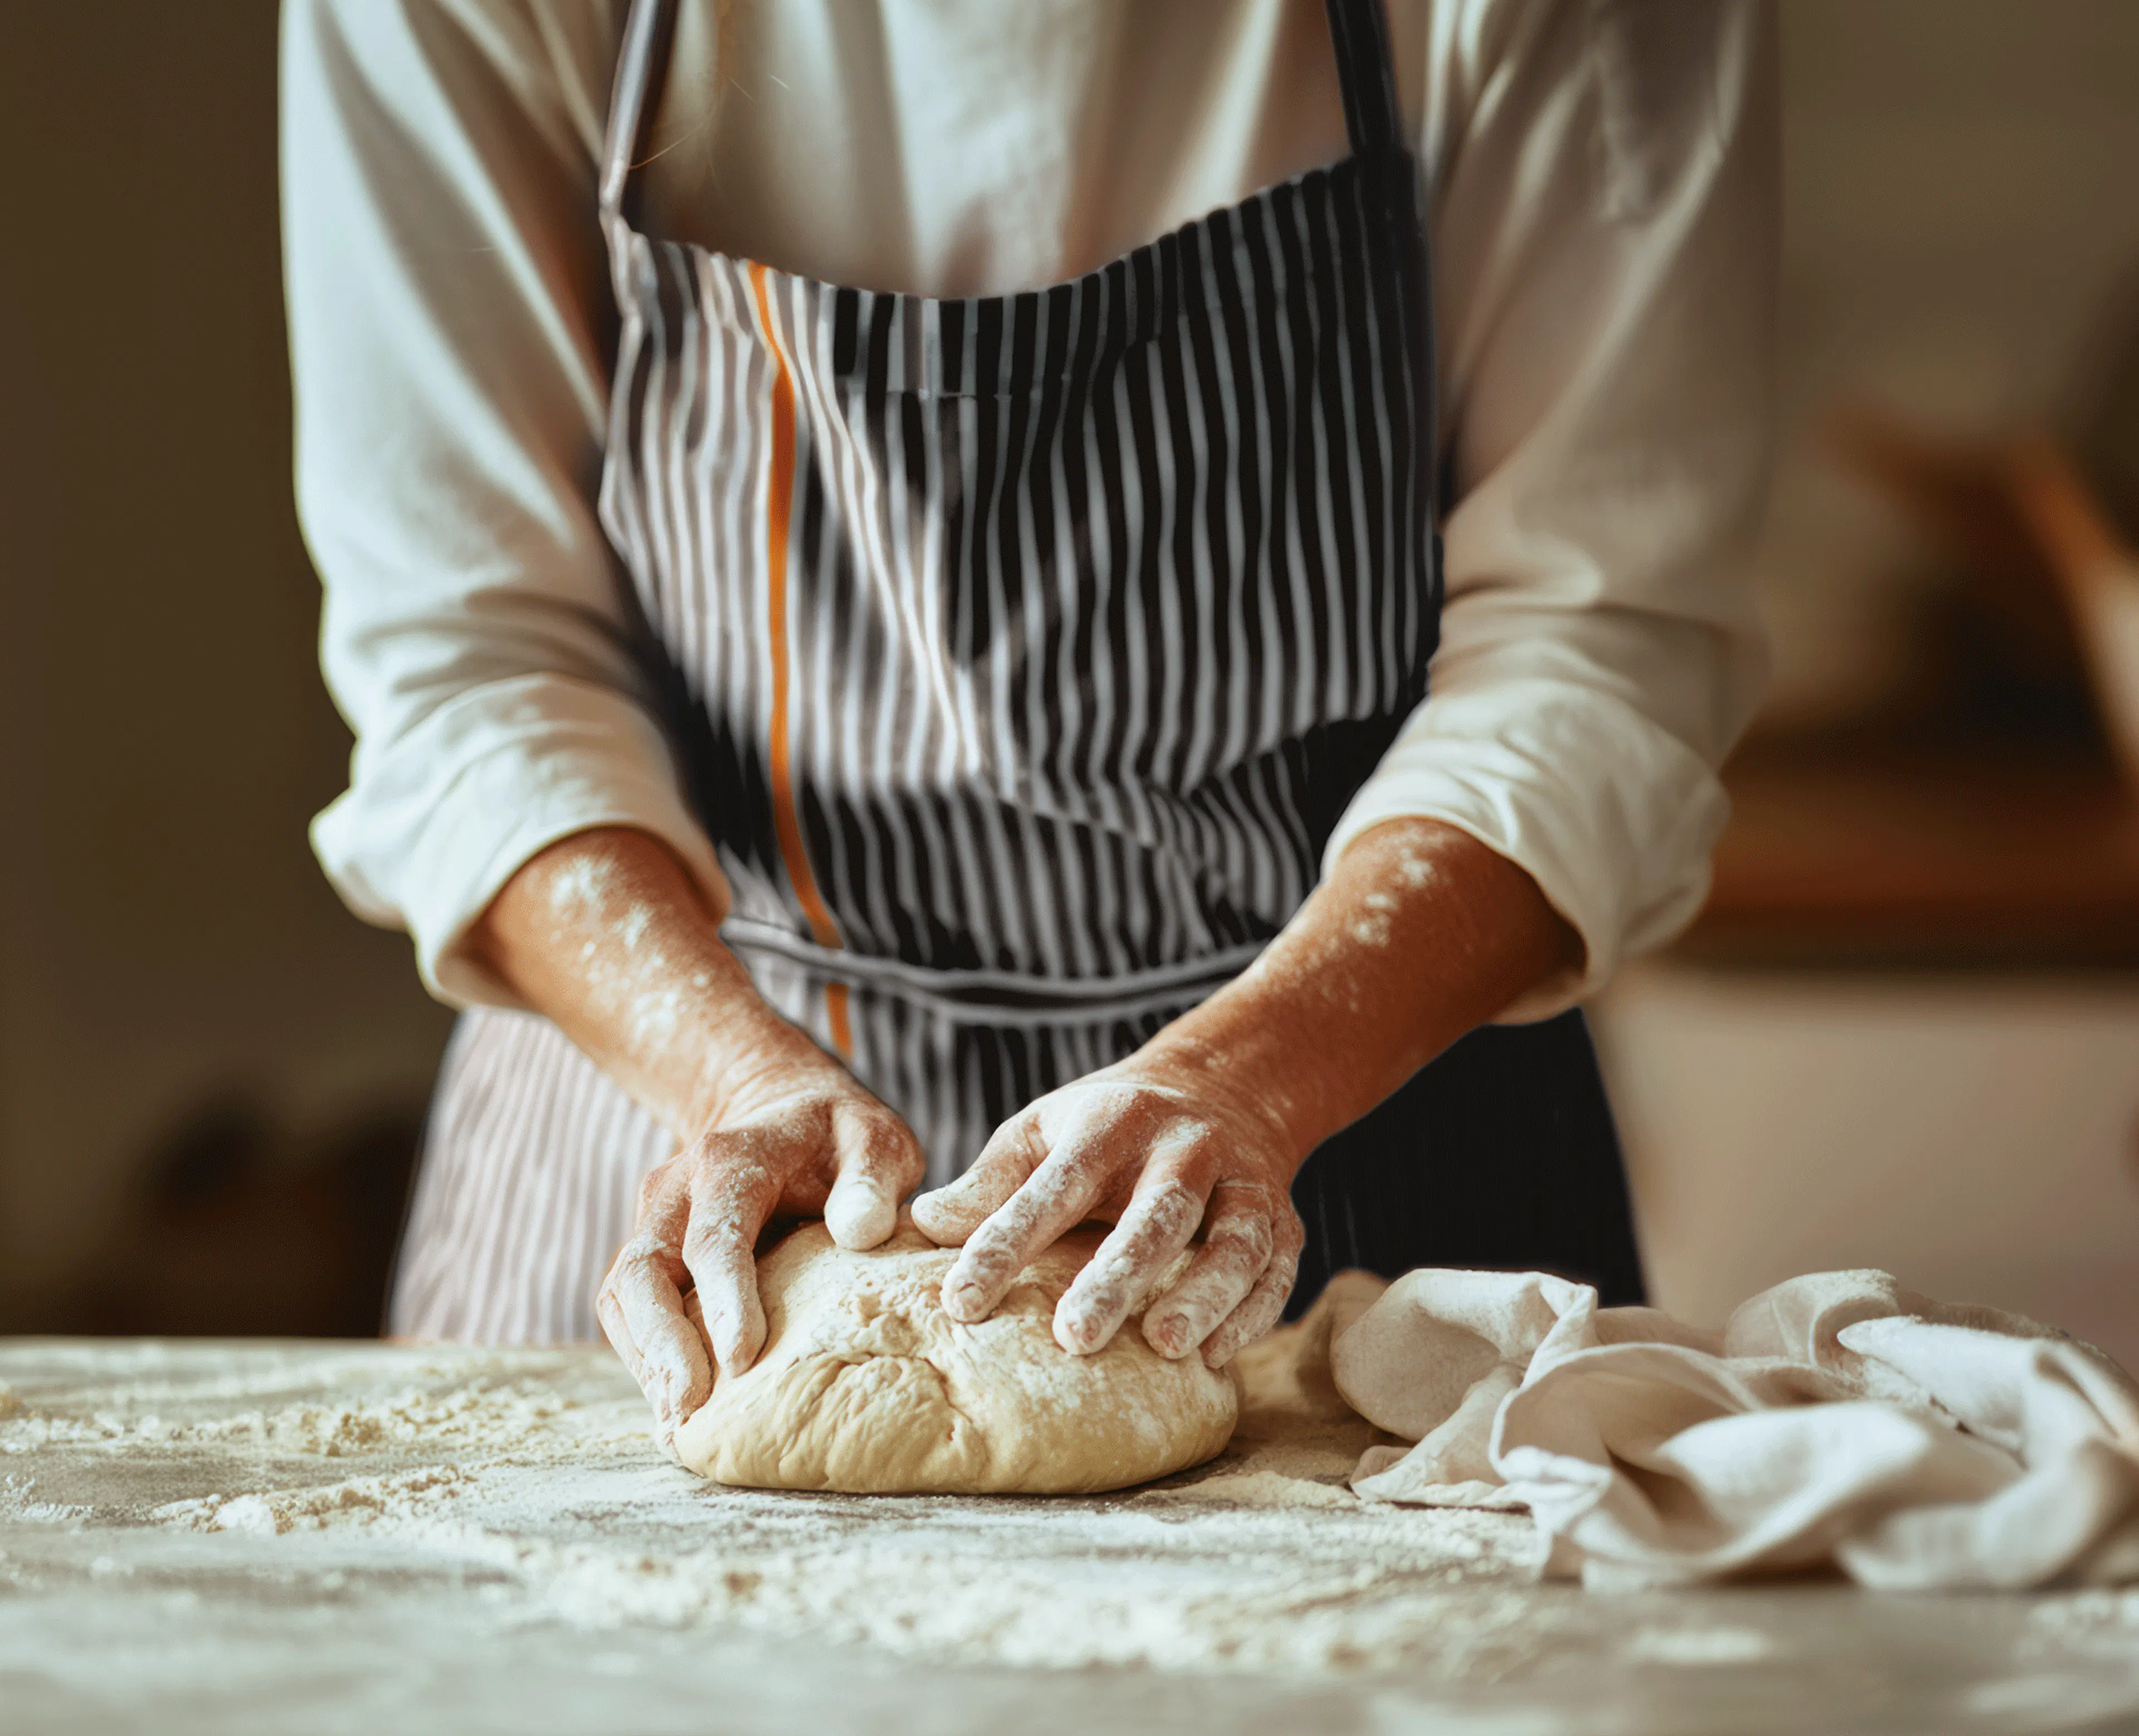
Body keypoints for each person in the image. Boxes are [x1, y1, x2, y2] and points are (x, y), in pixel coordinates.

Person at [282, 0, 1776, 1451]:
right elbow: (475, 656)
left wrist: (1248, 1078)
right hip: (689, 1157)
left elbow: (1598, 636)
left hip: (1365, 1143)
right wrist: (730, 1077)